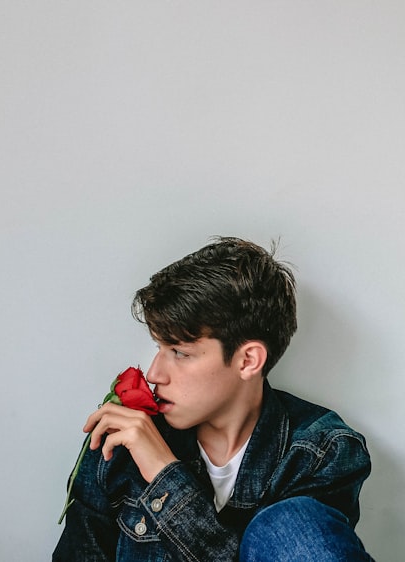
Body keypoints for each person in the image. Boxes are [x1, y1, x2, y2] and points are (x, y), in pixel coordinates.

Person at [53, 237, 373, 562]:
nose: (153, 373)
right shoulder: (121, 443)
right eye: (159, 348)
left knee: (290, 524)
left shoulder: (322, 452)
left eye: (180, 352)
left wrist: (165, 475)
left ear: (247, 361)